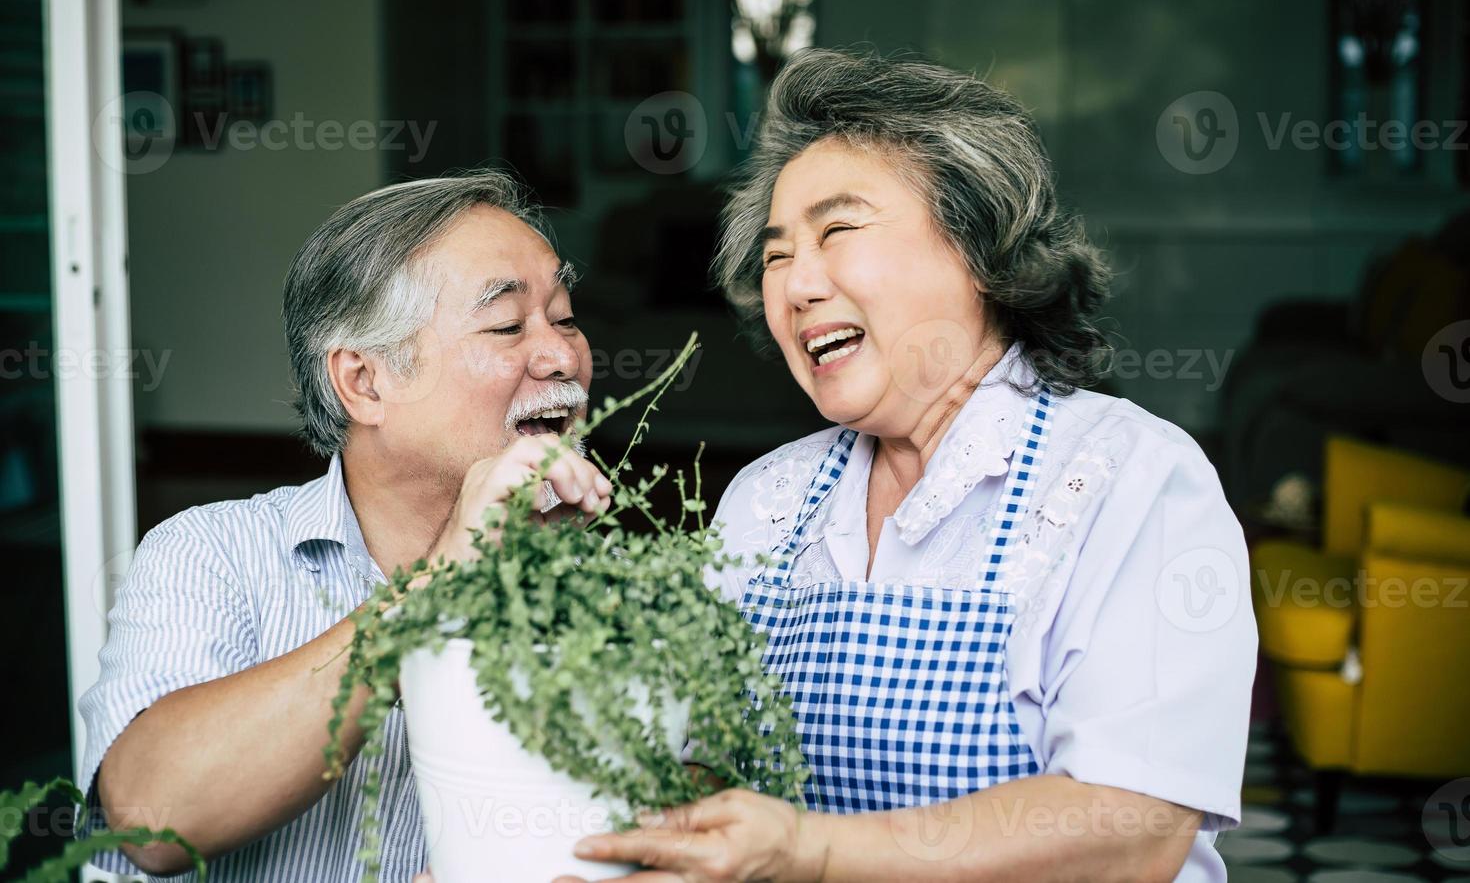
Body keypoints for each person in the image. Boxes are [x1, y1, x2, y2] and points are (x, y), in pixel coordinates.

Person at [563, 48, 1258, 883]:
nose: (796, 285)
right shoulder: (769, 499)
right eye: (777, 255)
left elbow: (1132, 828)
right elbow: (711, 770)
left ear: (977, 248)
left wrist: (809, 852)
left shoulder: (1130, 478)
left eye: (838, 231)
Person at [77, 170, 613, 881]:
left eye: (566, 317)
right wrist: (442, 587)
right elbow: (151, 817)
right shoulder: (213, 554)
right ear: (363, 382)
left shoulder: (612, 589)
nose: (560, 356)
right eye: (508, 325)